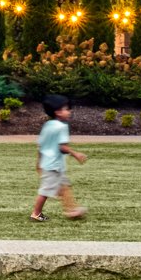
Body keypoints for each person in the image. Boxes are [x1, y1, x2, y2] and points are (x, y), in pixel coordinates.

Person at [31, 93, 88, 222]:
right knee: (45, 191)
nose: (69, 111)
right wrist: (76, 154)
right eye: (66, 109)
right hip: (54, 165)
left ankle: (71, 210)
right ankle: (36, 213)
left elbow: (40, 144)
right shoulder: (62, 127)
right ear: (58, 112)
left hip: (47, 163)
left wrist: (38, 162)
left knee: (64, 186)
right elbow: (62, 147)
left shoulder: (48, 125)